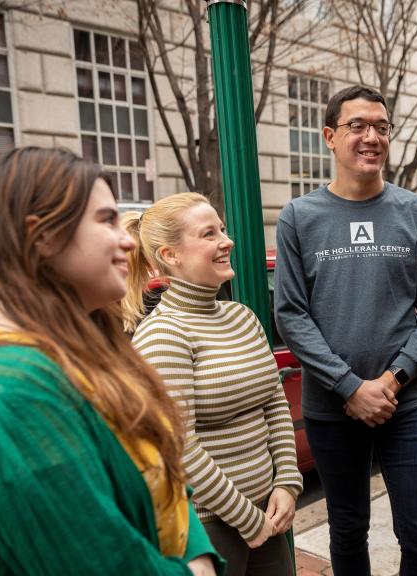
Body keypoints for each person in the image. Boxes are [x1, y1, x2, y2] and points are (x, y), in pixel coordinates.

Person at [0, 147, 223, 576]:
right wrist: (198, 569)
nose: (128, 238)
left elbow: (166, 483)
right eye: (106, 219)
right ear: (42, 236)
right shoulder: (2, 393)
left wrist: (195, 550)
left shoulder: (76, 348)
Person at [273, 85, 417, 576]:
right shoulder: (299, 218)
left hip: (406, 404)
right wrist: (350, 387)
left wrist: (391, 382)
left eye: (381, 127)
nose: (371, 136)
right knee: (347, 527)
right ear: (330, 137)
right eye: (357, 126)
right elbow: (291, 313)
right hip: (331, 409)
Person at [123, 192, 303, 575]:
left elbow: (274, 403)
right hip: (211, 527)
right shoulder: (163, 335)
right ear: (170, 255)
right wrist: (247, 519)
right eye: (208, 234)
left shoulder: (242, 316)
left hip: (265, 513)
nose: (227, 240)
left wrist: (287, 481)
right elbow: (178, 446)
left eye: (221, 229)